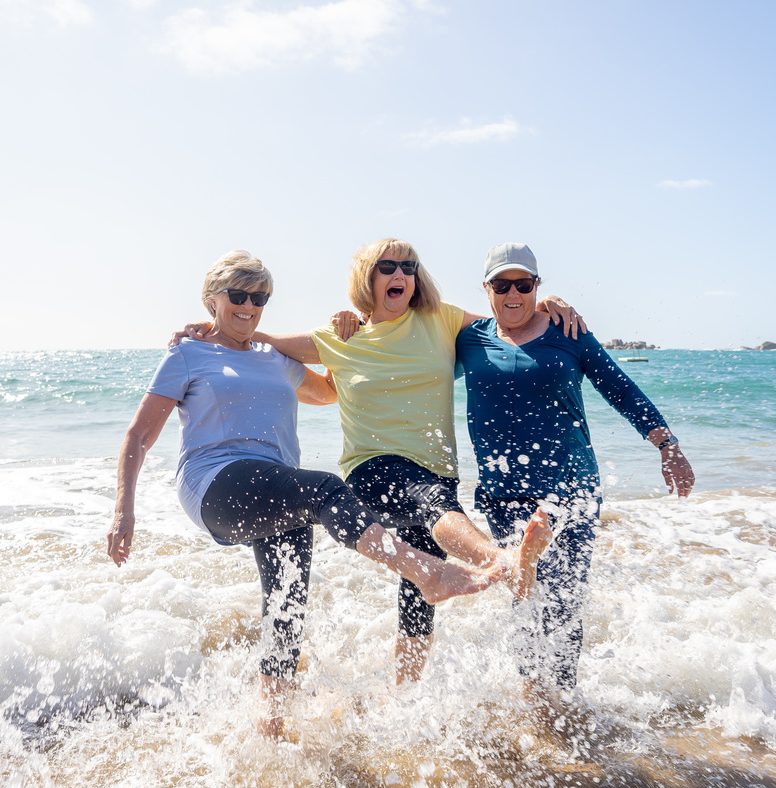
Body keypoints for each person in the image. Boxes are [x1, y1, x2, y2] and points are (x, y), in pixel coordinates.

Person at [106, 250, 504, 739]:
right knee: (324, 489)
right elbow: (137, 437)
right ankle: (428, 572)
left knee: (287, 602)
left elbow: (329, 392)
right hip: (215, 482)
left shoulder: (273, 357)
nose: (249, 306)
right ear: (213, 299)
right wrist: (124, 511)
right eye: (238, 296)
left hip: (277, 488)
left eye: (260, 297)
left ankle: (271, 727)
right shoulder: (188, 353)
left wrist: (349, 332)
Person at [180, 239, 573, 683]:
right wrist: (213, 327)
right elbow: (259, 340)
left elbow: (511, 324)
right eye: (387, 266)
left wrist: (546, 305)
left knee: (420, 589)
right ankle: (501, 563)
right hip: (373, 469)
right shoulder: (340, 337)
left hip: (435, 467)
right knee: (431, 505)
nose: (400, 274)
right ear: (368, 276)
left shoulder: (441, 319)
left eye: (409, 266)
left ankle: (403, 693)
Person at [455, 242, 695, 699]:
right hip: (504, 491)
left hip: (571, 486)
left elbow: (619, 388)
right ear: (486, 289)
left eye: (523, 285)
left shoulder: (569, 332)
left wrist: (667, 444)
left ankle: (561, 698)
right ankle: (531, 693)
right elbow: (411, 350)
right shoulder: (470, 338)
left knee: (563, 598)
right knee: (523, 593)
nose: (513, 294)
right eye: (502, 285)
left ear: (536, 286)